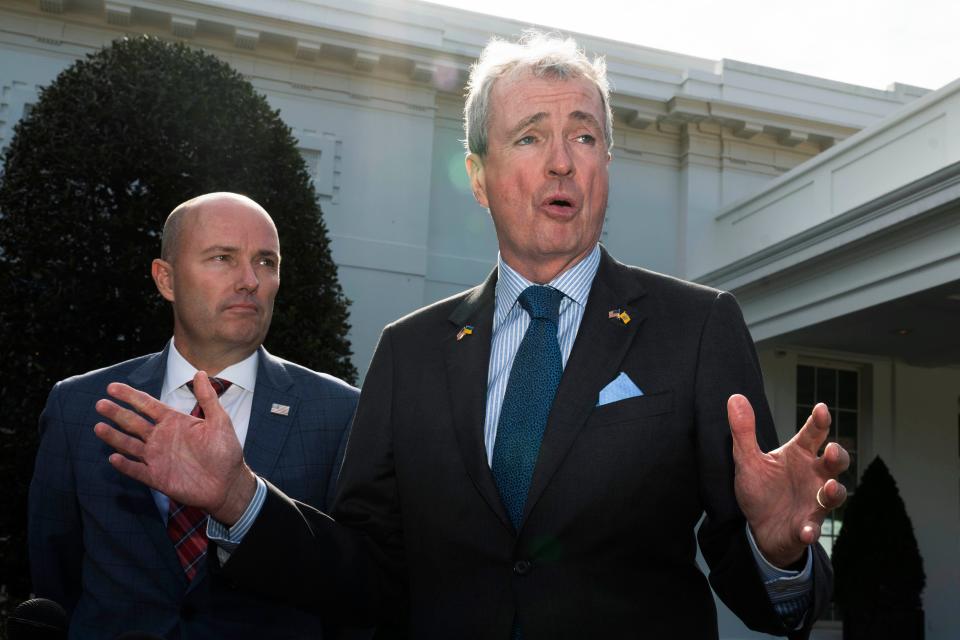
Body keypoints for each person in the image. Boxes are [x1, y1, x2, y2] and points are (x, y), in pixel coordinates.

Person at [94, 35, 850, 639]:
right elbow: (367, 575)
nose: (562, 159)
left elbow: (762, 591)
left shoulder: (696, 327)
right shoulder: (410, 351)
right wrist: (238, 497)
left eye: (584, 137)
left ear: (606, 166)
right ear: (479, 175)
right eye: (530, 137)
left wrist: (778, 551)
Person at [29, 192, 359, 639]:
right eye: (222, 258)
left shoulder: (340, 412)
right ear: (165, 280)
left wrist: (242, 501)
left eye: (266, 262)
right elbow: (55, 580)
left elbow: (353, 585)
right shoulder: (78, 406)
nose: (249, 280)